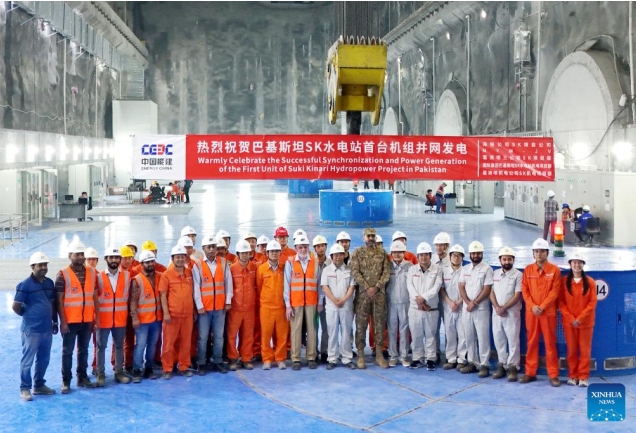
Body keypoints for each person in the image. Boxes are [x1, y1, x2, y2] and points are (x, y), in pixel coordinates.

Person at [13, 252, 58, 401]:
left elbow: (52, 304)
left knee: (44, 359)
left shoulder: (49, 283)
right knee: (28, 361)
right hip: (31, 330)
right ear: (33, 266)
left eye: (45, 265)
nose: (43, 267)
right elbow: (16, 306)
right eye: (40, 265)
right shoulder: (25, 285)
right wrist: (28, 316)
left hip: (46, 329)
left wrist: (54, 322)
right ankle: (25, 388)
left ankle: (39, 385)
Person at [56, 240, 99, 393]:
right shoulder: (62, 274)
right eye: (77, 254)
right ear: (70, 256)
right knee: (67, 352)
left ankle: (82, 377)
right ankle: (66, 381)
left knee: (84, 350)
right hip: (70, 321)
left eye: (82, 254)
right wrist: (63, 322)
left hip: (87, 320)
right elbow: (59, 300)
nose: (80, 257)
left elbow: (94, 296)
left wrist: (96, 317)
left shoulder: (92, 273)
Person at [520, 238, 562, 387]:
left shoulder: (554, 270)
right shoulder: (528, 270)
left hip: (547, 313)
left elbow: (554, 292)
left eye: (542, 251)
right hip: (532, 313)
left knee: (550, 344)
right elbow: (525, 290)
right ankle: (530, 372)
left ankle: (553, 375)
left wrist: (542, 306)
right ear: (533, 253)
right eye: (536, 251)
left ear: (547, 253)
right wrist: (532, 306)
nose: (539, 254)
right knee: (531, 342)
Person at [192, 235, 233, 374]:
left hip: (220, 308)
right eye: (208, 247)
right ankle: (201, 363)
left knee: (219, 337)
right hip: (204, 309)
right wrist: (199, 305)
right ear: (203, 248)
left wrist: (228, 301)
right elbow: (196, 287)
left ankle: (218, 361)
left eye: (213, 247)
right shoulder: (197, 265)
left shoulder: (224, 263)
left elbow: (228, 283)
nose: (211, 249)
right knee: (203, 337)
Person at [350, 228, 391, 369]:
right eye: (368, 236)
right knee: (361, 325)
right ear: (364, 238)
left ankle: (379, 354)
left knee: (379, 325)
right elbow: (355, 272)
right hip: (363, 296)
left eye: (373, 236)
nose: (371, 238)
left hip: (378, 296)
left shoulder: (382, 253)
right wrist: (367, 287)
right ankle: (361, 355)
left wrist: (377, 287)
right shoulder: (357, 253)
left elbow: (386, 273)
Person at [559, 253, 597, 388]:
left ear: (583, 264)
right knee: (571, 350)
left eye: (579, 262)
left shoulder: (590, 282)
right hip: (569, 324)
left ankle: (583, 377)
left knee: (585, 351)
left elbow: (592, 303)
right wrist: (570, 318)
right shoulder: (564, 282)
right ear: (570, 264)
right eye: (574, 262)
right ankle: (572, 375)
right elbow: (561, 302)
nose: (577, 265)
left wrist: (580, 319)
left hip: (585, 324)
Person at [95, 247, 131, 386]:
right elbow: (94, 299)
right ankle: (100, 374)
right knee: (101, 347)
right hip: (103, 319)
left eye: (116, 257)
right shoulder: (98, 277)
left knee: (119, 346)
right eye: (111, 257)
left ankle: (119, 372)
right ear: (106, 259)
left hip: (120, 319)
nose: (114, 260)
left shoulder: (127, 276)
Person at [284, 235, 320, 370]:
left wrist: (320, 302)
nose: (303, 250)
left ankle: (311, 357)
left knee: (312, 329)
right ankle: (296, 358)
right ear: (296, 248)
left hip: (312, 302)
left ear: (308, 248)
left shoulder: (315, 262)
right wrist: (288, 305)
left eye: (305, 247)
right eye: (300, 247)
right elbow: (286, 284)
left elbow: (319, 284)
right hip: (296, 302)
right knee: (295, 330)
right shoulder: (290, 262)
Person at [458, 241, 493, 378]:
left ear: (482, 254)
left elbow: (487, 289)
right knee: (469, 336)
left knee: (483, 337)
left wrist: (475, 302)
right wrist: (468, 302)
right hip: (467, 308)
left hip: (481, 308)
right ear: (470, 254)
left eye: (478, 253)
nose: (476, 255)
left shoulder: (487, 269)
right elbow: (461, 286)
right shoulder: (465, 269)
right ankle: (472, 362)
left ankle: (484, 365)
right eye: (473, 253)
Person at [159, 244, 195, 379]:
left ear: (185, 258)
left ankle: (183, 366)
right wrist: (166, 313)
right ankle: (167, 368)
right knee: (169, 343)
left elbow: (193, 293)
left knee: (186, 342)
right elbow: (163, 295)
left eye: (182, 257)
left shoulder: (189, 273)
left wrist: (193, 311)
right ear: (173, 258)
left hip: (187, 315)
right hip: (172, 315)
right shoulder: (166, 275)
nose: (180, 259)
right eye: (177, 257)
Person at [406, 242, 443, 370]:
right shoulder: (412, 270)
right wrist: (419, 301)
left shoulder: (437, 270)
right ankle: (417, 358)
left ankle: (430, 359)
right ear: (417, 257)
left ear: (430, 256)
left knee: (430, 335)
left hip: (430, 308)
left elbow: (436, 287)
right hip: (415, 308)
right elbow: (410, 286)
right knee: (416, 335)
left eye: (426, 254)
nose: (423, 257)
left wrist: (424, 298)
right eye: (421, 255)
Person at [489, 247, 523, 382]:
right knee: (499, 339)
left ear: (513, 260)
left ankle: (513, 367)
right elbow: (491, 292)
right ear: (500, 260)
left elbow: (517, 295)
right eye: (504, 259)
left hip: (511, 313)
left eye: (509, 259)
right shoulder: (495, 274)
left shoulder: (518, 275)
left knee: (513, 340)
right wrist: (497, 307)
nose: (507, 261)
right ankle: (501, 364)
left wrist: (504, 308)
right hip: (497, 313)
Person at [321, 244, 356, 370]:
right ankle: (332, 358)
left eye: (340, 254)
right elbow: (324, 287)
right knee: (332, 333)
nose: (338, 257)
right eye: (335, 255)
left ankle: (347, 358)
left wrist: (343, 300)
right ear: (331, 256)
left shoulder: (349, 270)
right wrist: (334, 300)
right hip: (332, 307)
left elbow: (352, 287)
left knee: (346, 333)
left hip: (346, 306)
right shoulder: (326, 270)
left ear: (344, 255)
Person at [130, 250, 163, 383]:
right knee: (140, 345)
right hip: (142, 320)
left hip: (156, 319)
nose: (150, 264)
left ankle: (149, 368)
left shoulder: (160, 276)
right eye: (147, 262)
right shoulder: (137, 280)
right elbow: (133, 300)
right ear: (141, 264)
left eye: (152, 261)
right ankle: (137, 369)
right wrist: (134, 317)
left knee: (152, 345)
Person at [257, 240, 289, 370]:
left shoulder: (285, 268)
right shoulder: (261, 269)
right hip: (266, 308)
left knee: (282, 335)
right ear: (267, 253)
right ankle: (267, 359)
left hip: (281, 307)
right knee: (266, 335)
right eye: (272, 251)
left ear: (280, 253)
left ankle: (280, 358)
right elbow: (259, 287)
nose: (274, 253)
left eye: (276, 251)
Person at [227, 240, 258, 371]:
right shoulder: (231, 269)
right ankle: (233, 358)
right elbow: (229, 287)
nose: (245, 255)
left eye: (247, 252)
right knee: (232, 334)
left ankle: (246, 358)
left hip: (250, 307)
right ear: (238, 254)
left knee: (248, 334)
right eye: (242, 253)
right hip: (236, 308)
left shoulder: (254, 268)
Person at [440, 244, 467, 370]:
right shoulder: (444, 271)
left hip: (461, 307)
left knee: (462, 333)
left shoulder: (466, 271)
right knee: (449, 333)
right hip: (448, 307)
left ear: (462, 258)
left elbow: (468, 289)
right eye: (454, 255)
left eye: (459, 256)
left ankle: (461, 359)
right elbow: (441, 289)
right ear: (450, 257)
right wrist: (450, 302)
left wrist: (459, 302)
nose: (456, 258)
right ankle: (451, 358)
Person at [386, 241, 413, 367]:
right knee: (392, 330)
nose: (397, 255)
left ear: (404, 253)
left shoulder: (410, 266)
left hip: (405, 302)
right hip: (391, 302)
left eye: (400, 252)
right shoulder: (387, 267)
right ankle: (393, 356)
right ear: (391, 253)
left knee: (404, 330)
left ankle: (404, 356)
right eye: (395, 252)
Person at [313, 235, 331, 364]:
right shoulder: (310, 263)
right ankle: (313, 351)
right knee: (313, 327)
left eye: (323, 246)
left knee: (326, 326)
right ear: (314, 248)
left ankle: (325, 351)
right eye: (318, 246)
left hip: (326, 300)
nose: (321, 248)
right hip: (313, 300)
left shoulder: (331, 263)